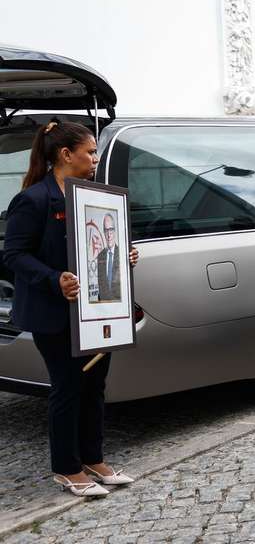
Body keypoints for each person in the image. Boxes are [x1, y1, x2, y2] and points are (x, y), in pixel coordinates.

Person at [4, 121, 139, 497]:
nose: (96, 158)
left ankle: (93, 459)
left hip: (96, 312)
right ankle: (66, 468)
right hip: (54, 314)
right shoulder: (32, 199)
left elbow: (101, 244)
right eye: (91, 152)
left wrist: (124, 254)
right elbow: (12, 255)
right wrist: (54, 279)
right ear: (66, 155)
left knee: (94, 385)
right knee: (67, 388)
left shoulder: (94, 196)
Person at [97, 213, 121, 302]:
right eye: (106, 230)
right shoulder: (100, 256)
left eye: (111, 229)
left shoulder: (122, 253)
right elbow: (101, 288)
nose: (109, 234)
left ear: (115, 230)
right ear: (103, 232)